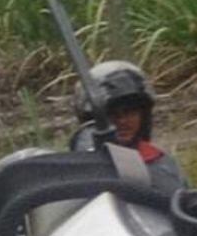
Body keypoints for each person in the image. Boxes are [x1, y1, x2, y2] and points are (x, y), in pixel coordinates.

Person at [69, 60, 187, 188]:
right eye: (112, 114)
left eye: (130, 112)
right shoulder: (81, 165)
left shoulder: (163, 164)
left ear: (144, 115)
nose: (122, 121)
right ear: (91, 120)